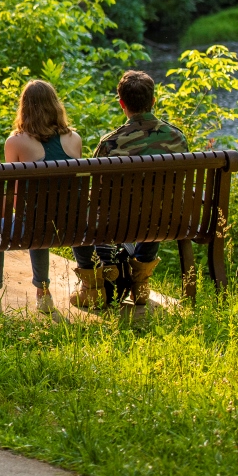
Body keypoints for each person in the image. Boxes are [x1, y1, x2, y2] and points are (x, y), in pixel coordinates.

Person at [69, 70, 188, 309]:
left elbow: (99, 192)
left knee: (73, 211)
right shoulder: (177, 138)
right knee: (156, 206)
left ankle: (93, 288)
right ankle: (140, 284)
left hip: (116, 224)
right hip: (164, 221)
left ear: (122, 103)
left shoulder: (110, 143)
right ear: (153, 101)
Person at [0, 79, 83, 314]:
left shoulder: (16, 142)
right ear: (55, 106)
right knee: (41, 217)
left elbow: (15, 196)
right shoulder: (74, 139)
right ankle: (43, 293)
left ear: (24, 107)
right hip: (70, 226)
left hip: (34, 225)